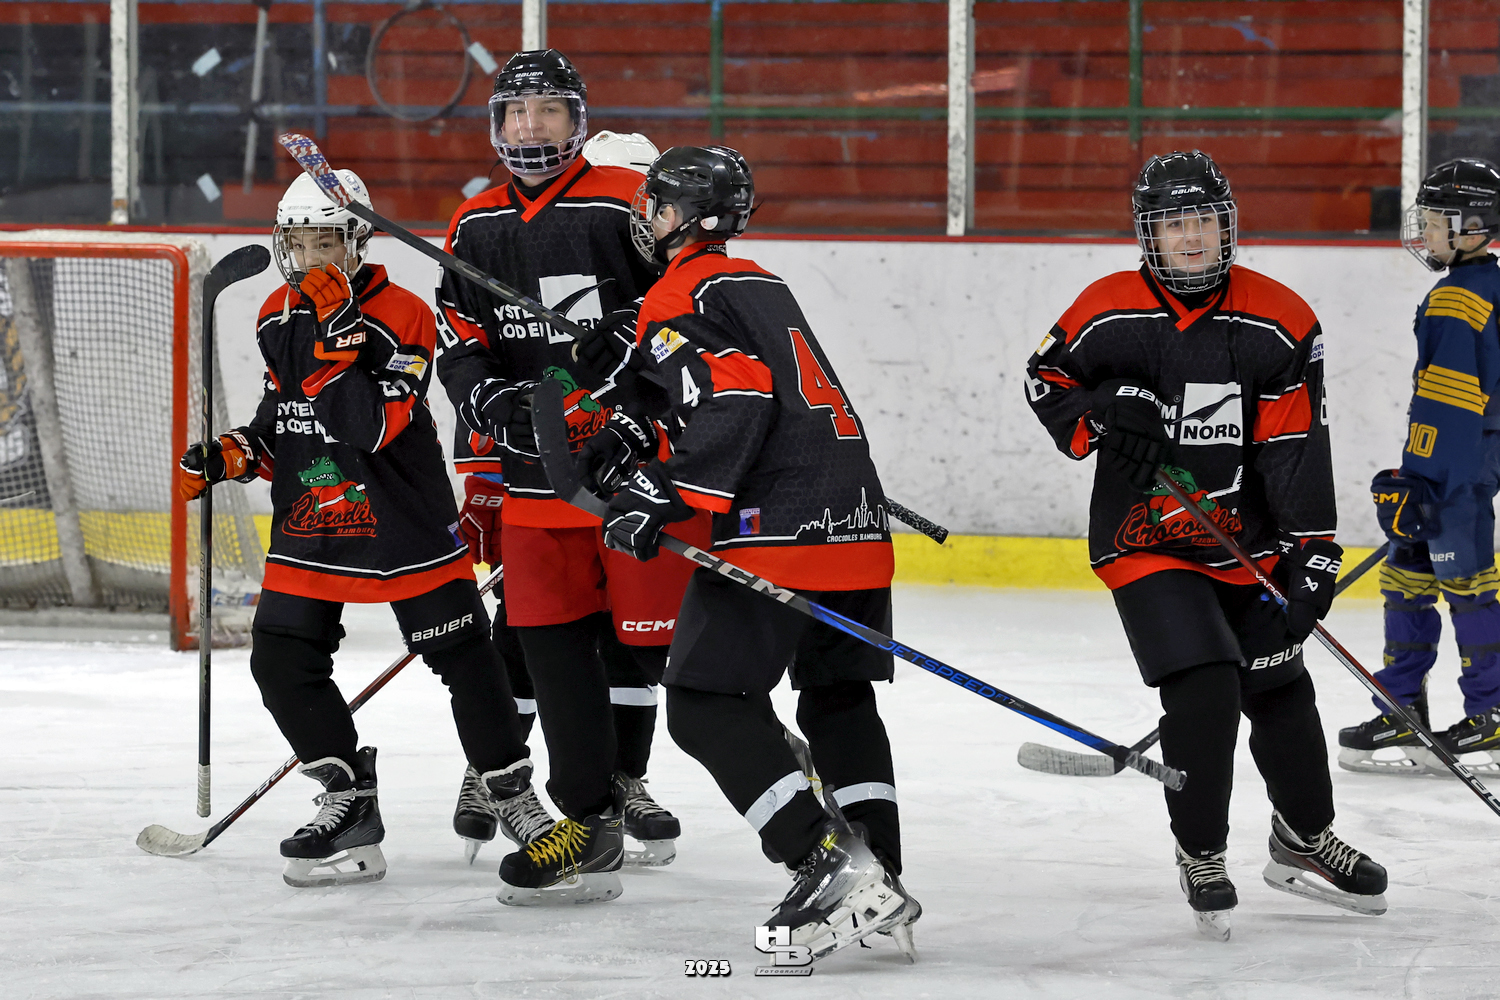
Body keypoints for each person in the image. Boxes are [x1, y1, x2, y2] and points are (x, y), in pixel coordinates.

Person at [1024, 149, 1387, 940]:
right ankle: (1202, 852)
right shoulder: (1107, 310)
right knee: (1205, 685)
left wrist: (1312, 551)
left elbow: (1296, 443)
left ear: (1229, 226)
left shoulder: (1278, 319)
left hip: (1246, 545)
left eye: (1205, 221)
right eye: (1174, 223)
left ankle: (1303, 839)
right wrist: (1106, 408)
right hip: (1144, 541)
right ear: (1147, 234)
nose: (1192, 238)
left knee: (1281, 689)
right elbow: (1045, 379)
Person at [582, 143, 918, 963]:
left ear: (677, 216)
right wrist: (640, 411)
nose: (645, 216)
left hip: (782, 531)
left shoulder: (677, 291)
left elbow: (736, 395)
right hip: (855, 519)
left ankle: (826, 864)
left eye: (654, 203)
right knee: (837, 698)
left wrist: (664, 491)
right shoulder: (758, 282)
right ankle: (879, 872)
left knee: (703, 700)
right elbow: (734, 387)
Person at [177, 171, 536, 889]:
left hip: (402, 519)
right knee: (280, 659)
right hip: (314, 517)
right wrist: (235, 454)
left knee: (465, 658)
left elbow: (370, 427)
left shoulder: (402, 313)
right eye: (299, 242)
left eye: (326, 241)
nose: (311, 256)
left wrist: (339, 335)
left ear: (357, 240)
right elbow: (284, 419)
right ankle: (350, 800)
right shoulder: (276, 314)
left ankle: (513, 796)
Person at [435, 48, 703, 902]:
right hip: (533, 483)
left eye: (548, 109)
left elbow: (695, 294)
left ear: (578, 119)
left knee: (657, 652)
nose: (531, 125)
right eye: (516, 111)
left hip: (628, 475)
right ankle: (589, 824)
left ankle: (788, 775)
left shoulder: (625, 201)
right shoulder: (473, 224)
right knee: (551, 654)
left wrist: (633, 326)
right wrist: (487, 399)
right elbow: (458, 340)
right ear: (495, 125)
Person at [1340, 158, 1500, 776]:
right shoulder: (1486, 284)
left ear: (1471, 227)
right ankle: (1400, 707)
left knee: (1468, 584)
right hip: (1459, 462)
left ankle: (1490, 715)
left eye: (1435, 222)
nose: (1424, 232)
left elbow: (1450, 400)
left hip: (1452, 469)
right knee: (1407, 577)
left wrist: (1425, 480)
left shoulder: (1459, 297)